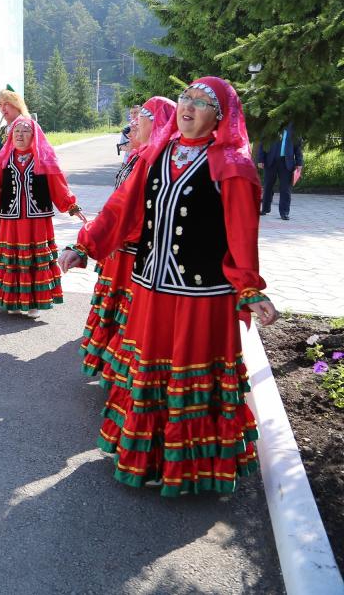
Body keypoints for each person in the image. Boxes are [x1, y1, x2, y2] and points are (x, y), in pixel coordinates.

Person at [58, 76, 279, 497]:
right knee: (148, 373)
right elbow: (120, 208)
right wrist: (84, 245)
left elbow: (241, 235)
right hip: (150, 290)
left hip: (202, 298)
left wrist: (250, 289)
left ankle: (190, 470)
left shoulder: (233, 165)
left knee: (185, 378)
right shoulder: (157, 154)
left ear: (220, 117)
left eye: (201, 102)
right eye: (185, 98)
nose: (188, 107)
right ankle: (146, 459)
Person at [79, 96, 175, 383]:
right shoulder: (141, 156)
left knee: (130, 318)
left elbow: (128, 210)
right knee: (120, 313)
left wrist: (89, 242)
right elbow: (118, 204)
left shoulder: (158, 160)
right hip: (121, 247)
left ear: (157, 123)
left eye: (141, 118)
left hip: (138, 253)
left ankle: (122, 376)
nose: (133, 125)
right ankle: (111, 370)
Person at [0, 117, 85, 317]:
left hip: (36, 220)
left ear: (34, 135)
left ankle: (34, 303)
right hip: (10, 219)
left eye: (25, 131)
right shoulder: (3, 158)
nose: (20, 135)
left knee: (33, 261)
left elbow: (58, 185)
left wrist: (71, 205)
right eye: (17, 131)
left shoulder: (44, 158)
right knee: (12, 260)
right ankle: (11, 300)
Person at [0, 87, 29, 255]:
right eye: (0, 105)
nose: (3, 108)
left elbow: (24, 155)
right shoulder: (3, 129)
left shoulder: (24, 126)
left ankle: (10, 253)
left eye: (6, 104)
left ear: (17, 105)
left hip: (15, 182)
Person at [258, 121, 303, 220]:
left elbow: (298, 147)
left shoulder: (293, 127)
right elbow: (263, 143)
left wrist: (299, 163)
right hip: (270, 161)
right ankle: (265, 209)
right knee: (268, 186)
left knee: (285, 189)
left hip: (286, 163)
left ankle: (284, 212)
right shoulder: (270, 124)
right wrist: (261, 159)